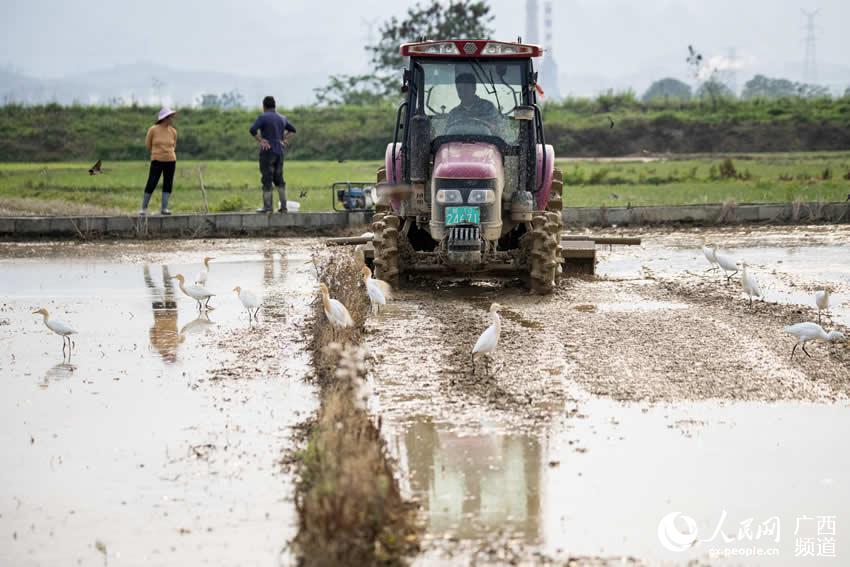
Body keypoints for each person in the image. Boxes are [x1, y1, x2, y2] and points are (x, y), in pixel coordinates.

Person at [249, 96, 297, 213]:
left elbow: (252, 130)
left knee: (267, 179)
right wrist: (284, 140)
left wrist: (261, 140)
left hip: (267, 151)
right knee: (279, 179)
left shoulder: (263, 117)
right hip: (279, 152)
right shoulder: (282, 118)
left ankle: (267, 206)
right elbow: (293, 130)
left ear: (264, 106)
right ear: (274, 106)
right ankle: (284, 206)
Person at [140, 108, 178, 216]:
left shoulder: (173, 131)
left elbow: (173, 145)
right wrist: (157, 153)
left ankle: (164, 208)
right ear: (165, 118)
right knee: (152, 182)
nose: (172, 119)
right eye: (170, 117)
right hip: (157, 160)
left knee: (168, 183)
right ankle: (143, 208)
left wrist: (167, 153)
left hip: (171, 161)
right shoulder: (153, 129)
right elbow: (148, 144)